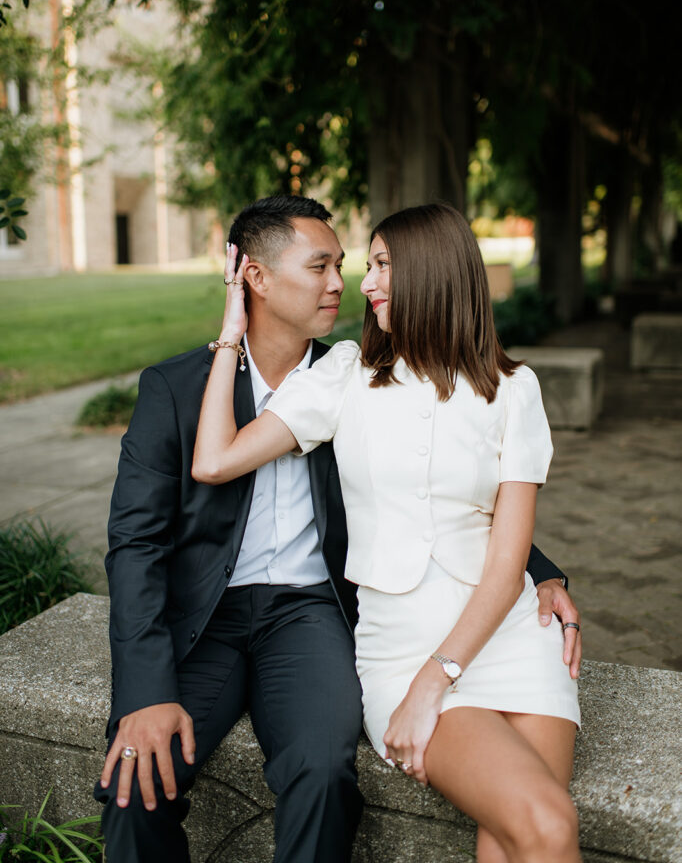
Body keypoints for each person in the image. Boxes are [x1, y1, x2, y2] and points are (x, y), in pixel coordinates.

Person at [95, 194, 580, 863]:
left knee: (324, 772)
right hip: (207, 620)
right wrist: (145, 694)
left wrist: (540, 569)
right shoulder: (181, 389)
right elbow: (137, 546)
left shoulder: (345, 371)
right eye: (322, 266)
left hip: (308, 613)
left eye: (348, 265)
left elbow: (441, 492)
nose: (343, 283)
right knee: (132, 788)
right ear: (255, 278)